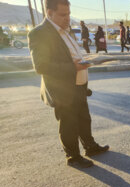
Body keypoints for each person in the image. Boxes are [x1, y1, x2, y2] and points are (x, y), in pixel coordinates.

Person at [28, 0, 109, 168]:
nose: (68, 19)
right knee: (68, 124)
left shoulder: (65, 30)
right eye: (63, 15)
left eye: (69, 14)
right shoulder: (40, 33)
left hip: (79, 85)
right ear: (49, 13)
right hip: (62, 90)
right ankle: (72, 156)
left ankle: (90, 146)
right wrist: (74, 67)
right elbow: (41, 66)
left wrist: (82, 63)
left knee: (84, 119)